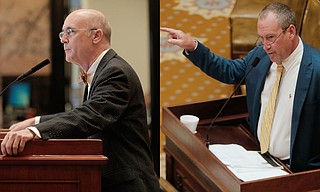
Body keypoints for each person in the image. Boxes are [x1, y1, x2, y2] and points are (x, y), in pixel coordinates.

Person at [1, 9, 159, 191]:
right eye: (62, 33)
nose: (63, 39)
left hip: (129, 184)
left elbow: (90, 116)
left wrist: (34, 131)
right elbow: (84, 113)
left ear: (96, 36)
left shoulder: (115, 72)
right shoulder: (102, 70)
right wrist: (36, 121)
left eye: (70, 32)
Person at [161, 2, 320, 173]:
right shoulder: (261, 56)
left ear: (291, 31)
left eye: (271, 37)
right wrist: (193, 47)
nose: (265, 45)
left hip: (297, 171)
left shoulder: (316, 70)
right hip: (258, 158)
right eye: (262, 37)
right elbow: (229, 71)